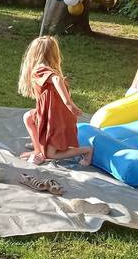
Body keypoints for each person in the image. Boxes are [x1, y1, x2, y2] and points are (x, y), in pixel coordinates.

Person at [17, 36, 92, 166]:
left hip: (56, 118)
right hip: (48, 114)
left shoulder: (41, 69)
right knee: (28, 117)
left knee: (50, 155)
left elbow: (57, 79)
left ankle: (86, 151)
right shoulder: (45, 69)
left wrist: (69, 104)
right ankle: (37, 150)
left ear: (33, 53)